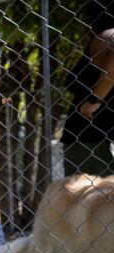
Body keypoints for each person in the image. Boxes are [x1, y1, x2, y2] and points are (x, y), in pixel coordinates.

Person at [60, 0, 114, 177]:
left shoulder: (105, 36)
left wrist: (94, 100)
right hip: (88, 141)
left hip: (90, 139)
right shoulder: (100, 40)